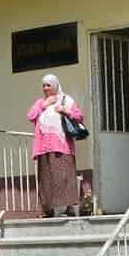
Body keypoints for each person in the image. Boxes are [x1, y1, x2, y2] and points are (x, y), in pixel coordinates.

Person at [28, 73, 85, 217]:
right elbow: (31, 116)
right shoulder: (40, 102)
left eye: (49, 85)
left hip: (62, 145)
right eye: (44, 85)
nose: (46, 88)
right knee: (46, 179)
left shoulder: (66, 100)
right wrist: (43, 105)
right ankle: (47, 209)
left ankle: (70, 207)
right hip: (44, 146)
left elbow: (79, 116)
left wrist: (64, 110)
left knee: (65, 176)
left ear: (55, 85)